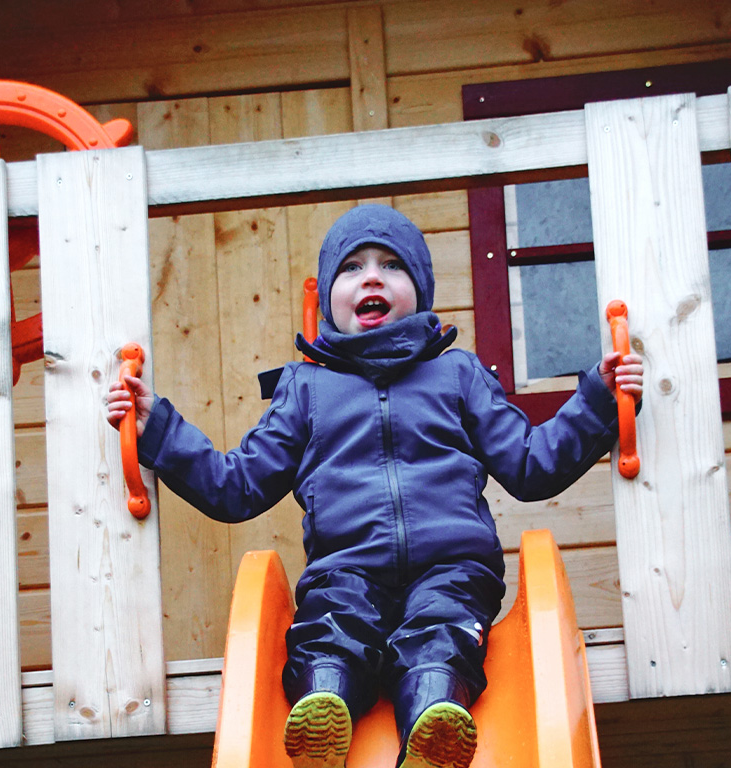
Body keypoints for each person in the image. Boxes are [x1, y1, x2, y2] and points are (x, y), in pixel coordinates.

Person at [106, 205, 643, 768]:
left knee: (442, 634)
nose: (371, 277)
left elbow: (532, 465)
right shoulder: (307, 387)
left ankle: (434, 728)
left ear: (421, 290)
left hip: (452, 566)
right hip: (346, 567)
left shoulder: (457, 374)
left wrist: (601, 400)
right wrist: (156, 430)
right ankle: (325, 709)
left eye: (391, 266)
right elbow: (235, 485)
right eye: (352, 268)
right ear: (330, 298)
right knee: (332, 628)